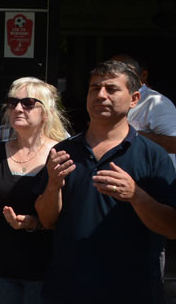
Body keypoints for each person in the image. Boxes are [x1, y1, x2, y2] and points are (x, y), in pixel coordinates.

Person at [34, 60, 176, 303]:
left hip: (132, 290)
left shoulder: (153, 156)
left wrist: (135, 195)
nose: (100, 95)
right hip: (68, 289)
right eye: (94, 88)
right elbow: (47, 221)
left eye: (111, 89)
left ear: (134, 99)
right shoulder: (64, 151)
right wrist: (53, 186)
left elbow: (171, 227)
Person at [0, 77, 69, 304]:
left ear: (46, 112)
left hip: (45, 268)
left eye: (28, 103)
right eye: (13, 103)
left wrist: (35, 223)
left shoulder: (62, 154)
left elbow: (69, 214)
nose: (19, 108)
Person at [111, 54, 176, 169]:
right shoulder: (107, 99)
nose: (117, 75)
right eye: (111, 70)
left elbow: (174, 144)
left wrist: (127, 135)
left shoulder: (155, 102)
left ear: (143, 75)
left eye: (126, 71)